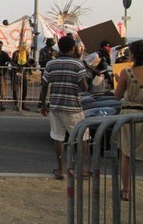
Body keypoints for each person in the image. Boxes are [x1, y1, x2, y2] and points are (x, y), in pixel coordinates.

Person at [39, 36, 89, 181]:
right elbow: (84, 86)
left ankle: (60, 169)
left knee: (58, 137)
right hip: (73, 107)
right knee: (83, 137)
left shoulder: (50, 64)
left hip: (55, 106)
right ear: (73, 48)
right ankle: (82, 169)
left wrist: (42, 104)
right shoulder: (78, 64)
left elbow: (44, 86)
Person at [114, 39, 143, 202]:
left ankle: (126, 190)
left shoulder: (127, 72)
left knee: (126, 154)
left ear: (133, 54)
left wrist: (119, 81)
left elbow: (118, 95)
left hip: (129, 115)